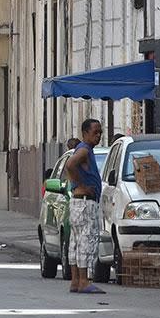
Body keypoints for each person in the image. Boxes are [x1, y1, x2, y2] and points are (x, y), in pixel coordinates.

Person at [64, 119, 105, 294]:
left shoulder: (85, 150)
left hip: (77, 203)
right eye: (95, 132)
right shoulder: (84, 150)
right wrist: (81, 184)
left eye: (100, 132)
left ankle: (75, 281)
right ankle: (84, 281)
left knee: (75, 242)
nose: (98, 136)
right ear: (85, 133)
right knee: (87, 241)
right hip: (85, 202)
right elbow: (70, 164)